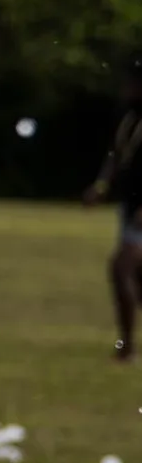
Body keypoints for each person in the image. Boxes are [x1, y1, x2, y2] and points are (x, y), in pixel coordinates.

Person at [84, 56, 142, 362]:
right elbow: (116, 154)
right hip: (129, 208)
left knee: (121, 270)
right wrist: (102, 185)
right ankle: (127, 346)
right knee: (135, 278)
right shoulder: (129, 118)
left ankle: (127, 348)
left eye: (132, 81)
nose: (126, 86)